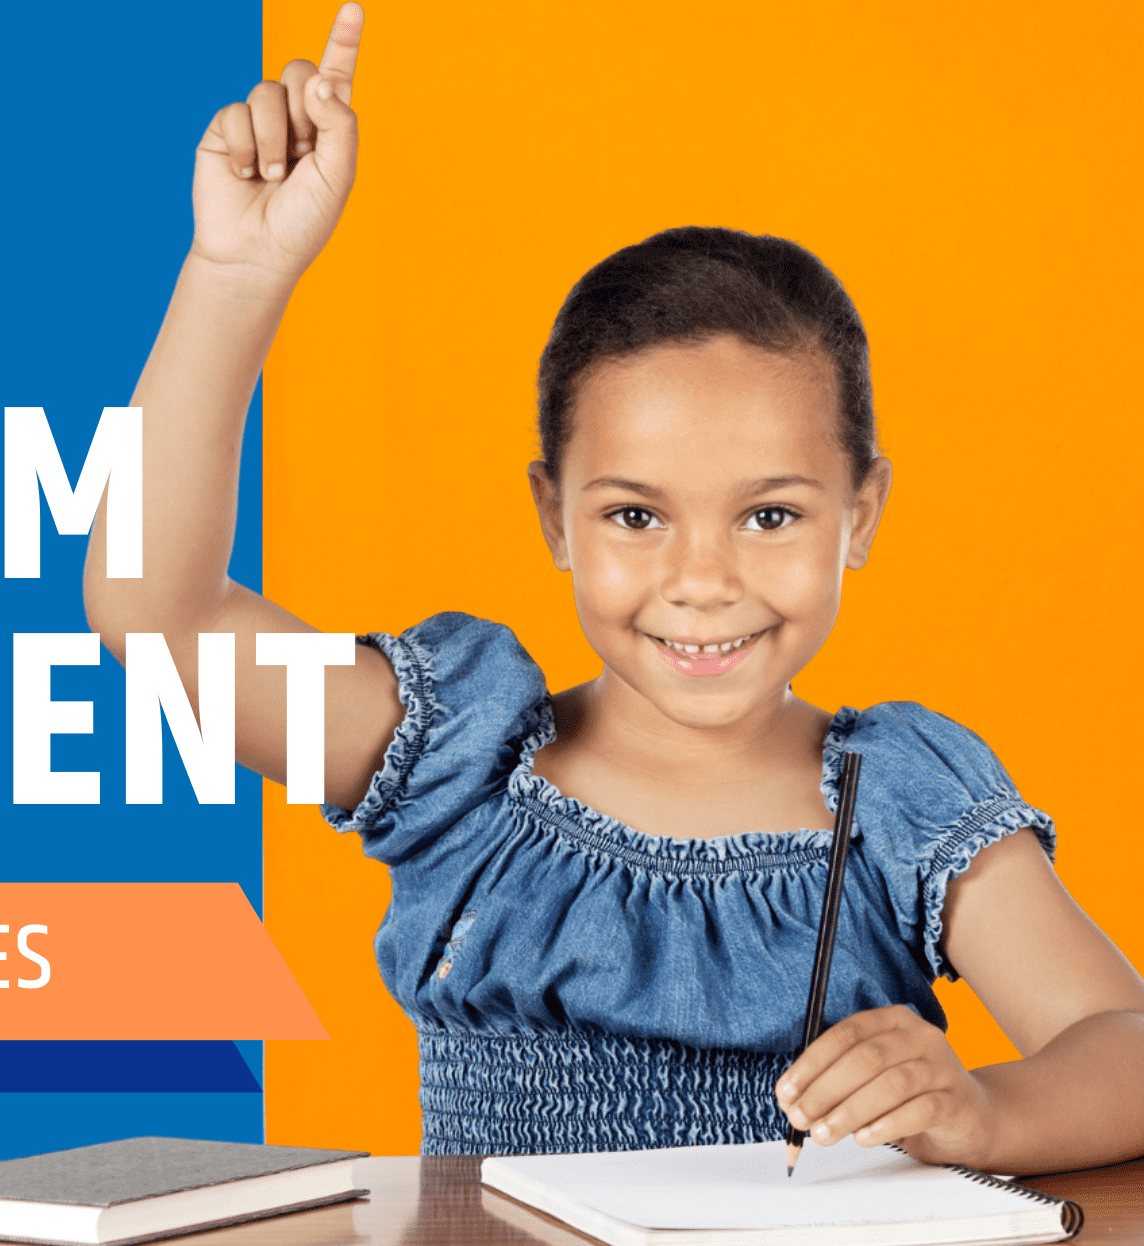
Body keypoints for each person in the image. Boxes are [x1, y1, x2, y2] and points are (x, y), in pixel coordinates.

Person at [84, 1, 1144, 1170]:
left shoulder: (893, 802)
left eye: (768, 514)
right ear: (553, 513)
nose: (700, 579)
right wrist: (235, 275)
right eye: (635, 515)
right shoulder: (460, 761)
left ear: (860, 514)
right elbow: (152, 607)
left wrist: (989, 1111)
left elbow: (1125, 1043)